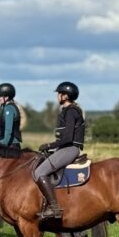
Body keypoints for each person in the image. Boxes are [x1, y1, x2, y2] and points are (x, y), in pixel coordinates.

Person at [31, 82, 85, 219]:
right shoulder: (67, 111)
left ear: (65, 96)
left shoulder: (71, 112)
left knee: (39, 172)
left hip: (70, 149)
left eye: (59, 93)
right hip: (64, 148)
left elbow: (67, 138)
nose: (57, 96)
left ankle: (54, 208)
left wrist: (50, 145)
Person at [0, 82, 21, 148]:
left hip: (11, 144)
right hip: (8, 142)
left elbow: (8, 130)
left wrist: (3, 145)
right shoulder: (6, 107)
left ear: (6, 97)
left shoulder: (9, 108)